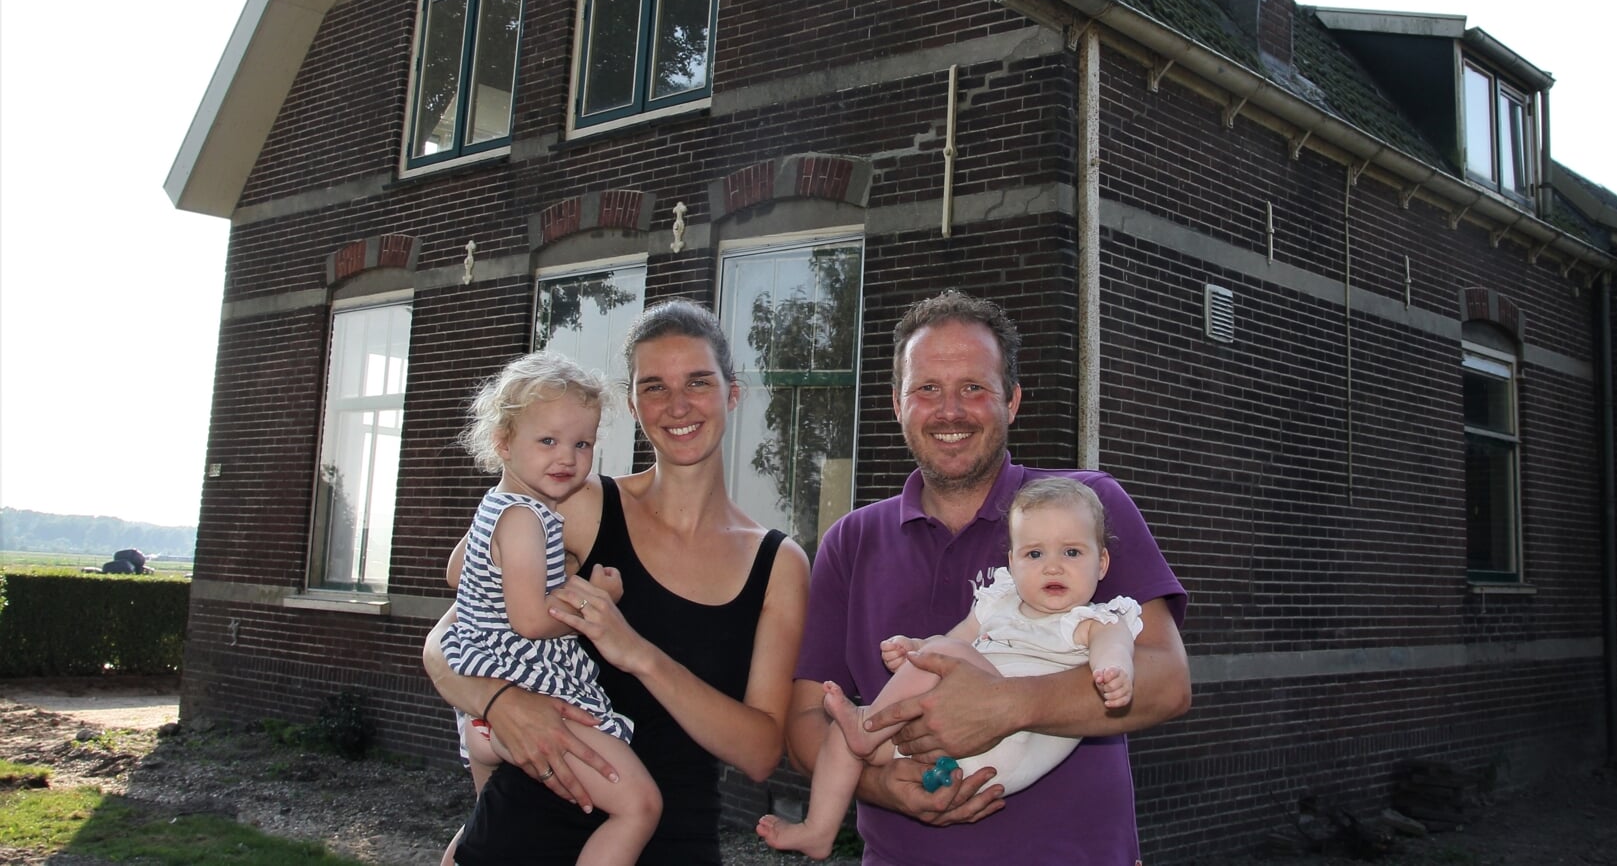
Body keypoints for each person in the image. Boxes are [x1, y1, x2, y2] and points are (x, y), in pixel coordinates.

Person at [787, 290, 1192, 865]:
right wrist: (881, 788)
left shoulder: (1086, 511)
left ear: (1013, 401)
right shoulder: (851, 542)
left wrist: (1007, 705)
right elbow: (805, 721)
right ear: (898, 405)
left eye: (974, 388)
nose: (950, 411)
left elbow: (1167, 682)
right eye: (927, 389)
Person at [425, 299, 810, 866]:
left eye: (698, 382)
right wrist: (500, 701)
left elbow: (759, 753)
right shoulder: (577, 504)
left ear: (732, 392)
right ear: (632, 404)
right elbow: (446, 642)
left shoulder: (777, 561)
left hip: (677, 842)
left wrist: (638, 654)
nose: (678, 404)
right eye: (654, 387)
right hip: (521, 833)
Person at [759, 476, 1143, 860]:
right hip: (945, 748)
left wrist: (1114, 672)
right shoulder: (998, 604)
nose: (1053, 568)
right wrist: (916, 649)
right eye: (1035, 554)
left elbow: (1115, 645)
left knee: (910, 683)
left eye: (1072, 553)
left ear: (1102, 562)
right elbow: (955, 638)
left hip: (1016, 745)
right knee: (842, 739)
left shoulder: (1091, 621)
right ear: (1012, 562)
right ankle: (819, 830)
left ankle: (866, 726)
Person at [440, 352, 659, 865]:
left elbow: (458, 573)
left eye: (581, 444)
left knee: (491, 828)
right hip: (533, 690)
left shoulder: (494, 508)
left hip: (481, 703)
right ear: (503, 443)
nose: (567, 457)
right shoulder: (525, 520)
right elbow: (531, 622)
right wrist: (597, 598)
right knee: (639, 806)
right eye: (548, 441)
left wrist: (541, 565)